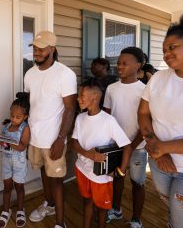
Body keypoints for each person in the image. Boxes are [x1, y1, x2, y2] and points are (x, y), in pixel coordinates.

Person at [138, 13, 183, 228]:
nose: (166, 54)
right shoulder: (159, 78)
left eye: (172, 47)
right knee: (173, 211)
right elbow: (143, 113)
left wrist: (164, 147)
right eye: (164, 49)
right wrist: (156, 148)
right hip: (159, 162)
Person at [24, 31, 77, 228]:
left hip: (54, 138)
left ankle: (60, 223)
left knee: (56, 180)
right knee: (44, 174)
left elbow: (70, 108)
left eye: (41, 49)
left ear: (52, 49)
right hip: (35, 136)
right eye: (35, 49)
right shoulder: (30, 74)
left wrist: (60, 139)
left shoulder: (65, 74)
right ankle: (49, 204)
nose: (36, 53)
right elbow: (29, 105)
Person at [72, 80, 132, 228]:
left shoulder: (108, 121)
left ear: (95, 97)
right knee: (87, 201)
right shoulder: (80, 118)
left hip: (100, 176)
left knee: (102, 208)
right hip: (82, 169)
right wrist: (88, 154)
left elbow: (127, 146)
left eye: (82, 95)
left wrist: (120, 172)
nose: (78, 98)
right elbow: (74, 143)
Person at [104, 47, 147, 228]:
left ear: (138, 65)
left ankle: (136, 219)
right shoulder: (111, 88)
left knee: (137, 182)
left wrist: (131, 144)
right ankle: (116, 209)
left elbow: (147, 121)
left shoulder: (145, 90)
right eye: (118, 63)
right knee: (117, 178)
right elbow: (106, 115)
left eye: (124, 63)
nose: (119, 66)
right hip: (116, 144)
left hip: (137, 146)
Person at [0, 92, 31, 228]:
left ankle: (20, 210)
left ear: (25, 117)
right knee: (7, 187)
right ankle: (6, 210)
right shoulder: (5, 126)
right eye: (12, 116)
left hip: (19, 163)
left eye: (18, 117)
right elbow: (1, 145)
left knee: (19, 187)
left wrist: (8, 142)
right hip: (6, 161)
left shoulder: (25, 128)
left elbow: (22, 147)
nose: (14, 119)